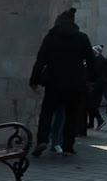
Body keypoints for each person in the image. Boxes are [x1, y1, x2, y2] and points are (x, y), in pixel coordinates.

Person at [29, 8, 96, 156]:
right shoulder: (81, 38)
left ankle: (42, 140)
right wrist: (91, 80)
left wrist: (34, 80)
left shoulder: (50, 37)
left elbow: (40, 60)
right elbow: (91, 61)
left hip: (53, 82)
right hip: (75, 83)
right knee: (71, 115)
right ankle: (67, 146)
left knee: (47, 112)